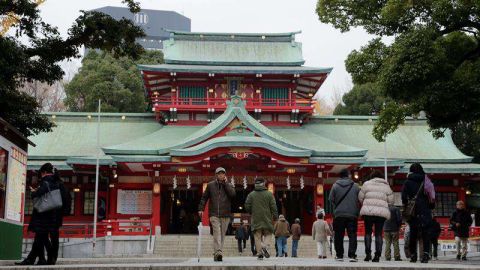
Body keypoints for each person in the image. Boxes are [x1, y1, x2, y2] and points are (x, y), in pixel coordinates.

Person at [16, 163, 68, 265]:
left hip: (43, 214)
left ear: (44, 172)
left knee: (41, 237)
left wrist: (33, 192)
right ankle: (42, 259)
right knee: (42, 237)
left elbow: (40, 193)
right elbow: (65, 199)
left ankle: (42, 257)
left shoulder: (46, 181)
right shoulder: (58, 182)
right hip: (53, 214)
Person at [198, 167, 236, 262]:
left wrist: (225, 184)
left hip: (225, 214)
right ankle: (219, 251)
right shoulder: (210, 185)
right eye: (219, 174)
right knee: (217, 232)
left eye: (223, 173)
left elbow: (233, 195)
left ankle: (217, 253)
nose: (221, 175)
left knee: (222, 235)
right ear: (216, 175)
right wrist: (201, 209)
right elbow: (204, 197)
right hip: (214, 213)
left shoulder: (229, 185)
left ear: (225, 175)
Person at [401, 163, 435, 263]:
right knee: (425, 233)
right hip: (425, 210)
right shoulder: (426, 181)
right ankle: (425, 255)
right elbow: (432, 196)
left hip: (413, 211)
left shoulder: (407, 182)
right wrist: (431, 207)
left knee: (413, 233)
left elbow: (403, 197)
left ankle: (413, 255)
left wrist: (407, 205)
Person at [358, 170, 394, 262]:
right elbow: (391, 201)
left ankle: (368, 254)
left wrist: (367, 203)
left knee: (367, 233)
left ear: (372, 176)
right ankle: (377, 255)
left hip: (368, 212)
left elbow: (360, 197)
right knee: (378, 233)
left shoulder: (366, 184)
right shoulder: (386, 186)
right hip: (381, 213)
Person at [329, 168, 360, 262]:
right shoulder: (355, 186)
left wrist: (337, 206)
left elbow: (331, 199)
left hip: (339, 214)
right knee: (352, 235)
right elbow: (359, 199)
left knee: (338, 235)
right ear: (348, 175)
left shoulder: (335, 186)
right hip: (352, 214)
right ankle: (352, 255)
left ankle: (339, 255)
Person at [245, 178, 278, 260]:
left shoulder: (251, 194)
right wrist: (275, 216)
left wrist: (251, 212)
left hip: (256, 218)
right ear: (263, 184)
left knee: (257, 236)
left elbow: (247, 206)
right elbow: (274, 207)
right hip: (267, 218)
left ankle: (260, 253)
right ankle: (264, 246)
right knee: (268, 233)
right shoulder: (269, 194)